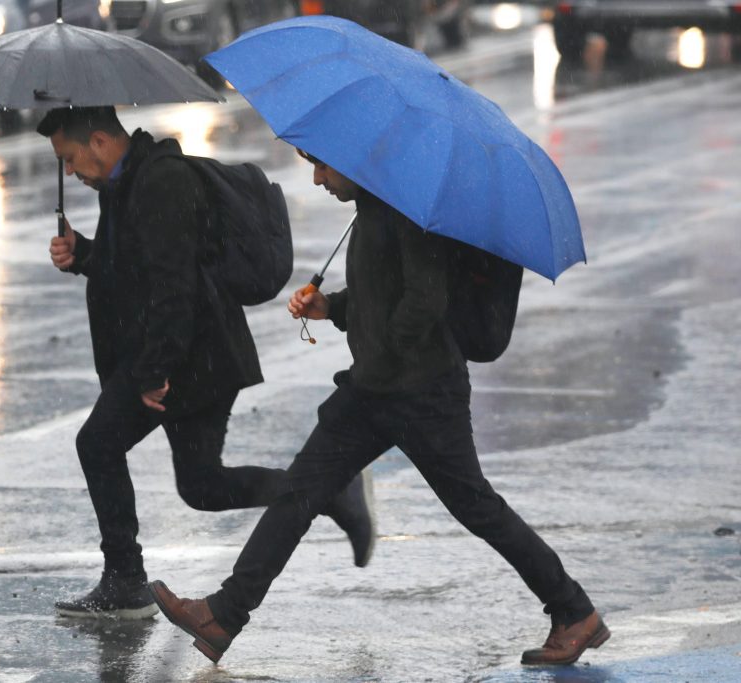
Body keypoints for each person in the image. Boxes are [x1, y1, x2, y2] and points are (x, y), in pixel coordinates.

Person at [148, 150, 609, 666]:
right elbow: (383, 297)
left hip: (422, 392)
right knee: (300, 493)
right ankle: (224, 615)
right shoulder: (374, 207)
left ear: (356, 161)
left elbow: (425, 301)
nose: (318, 178)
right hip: (378, 390)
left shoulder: (405, 212)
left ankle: (575, 611)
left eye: (324, 166)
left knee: (476, 506)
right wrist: (333, 308)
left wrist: (381, 361)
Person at [39, 107, 375, 620]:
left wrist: (155, 371)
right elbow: (130, 266)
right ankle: (332, 490)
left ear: (102, 141)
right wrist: (83, 254)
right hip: (184, 352)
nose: (70, 172)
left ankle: (126, 580)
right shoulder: (124, 185)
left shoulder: (161, 183)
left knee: (98, 442)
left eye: (70, 158)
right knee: (202, 486)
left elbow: (175, 286)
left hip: (192, 355)